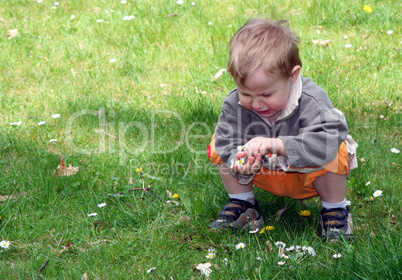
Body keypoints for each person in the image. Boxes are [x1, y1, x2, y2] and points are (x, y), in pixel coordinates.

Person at [207, 18, 358, 242]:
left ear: (293, 75)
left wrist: (280, 145)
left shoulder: (311, 102)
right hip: (264, 172)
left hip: (309, 173)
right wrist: (240, 161)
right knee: (219, 141)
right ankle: (243, 203)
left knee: (337, 148)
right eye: (246, 94)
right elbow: (227, 141)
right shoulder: (233, 105)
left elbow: (330, 136)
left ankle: (335, 211)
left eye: (266, 95)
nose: (257, 104)